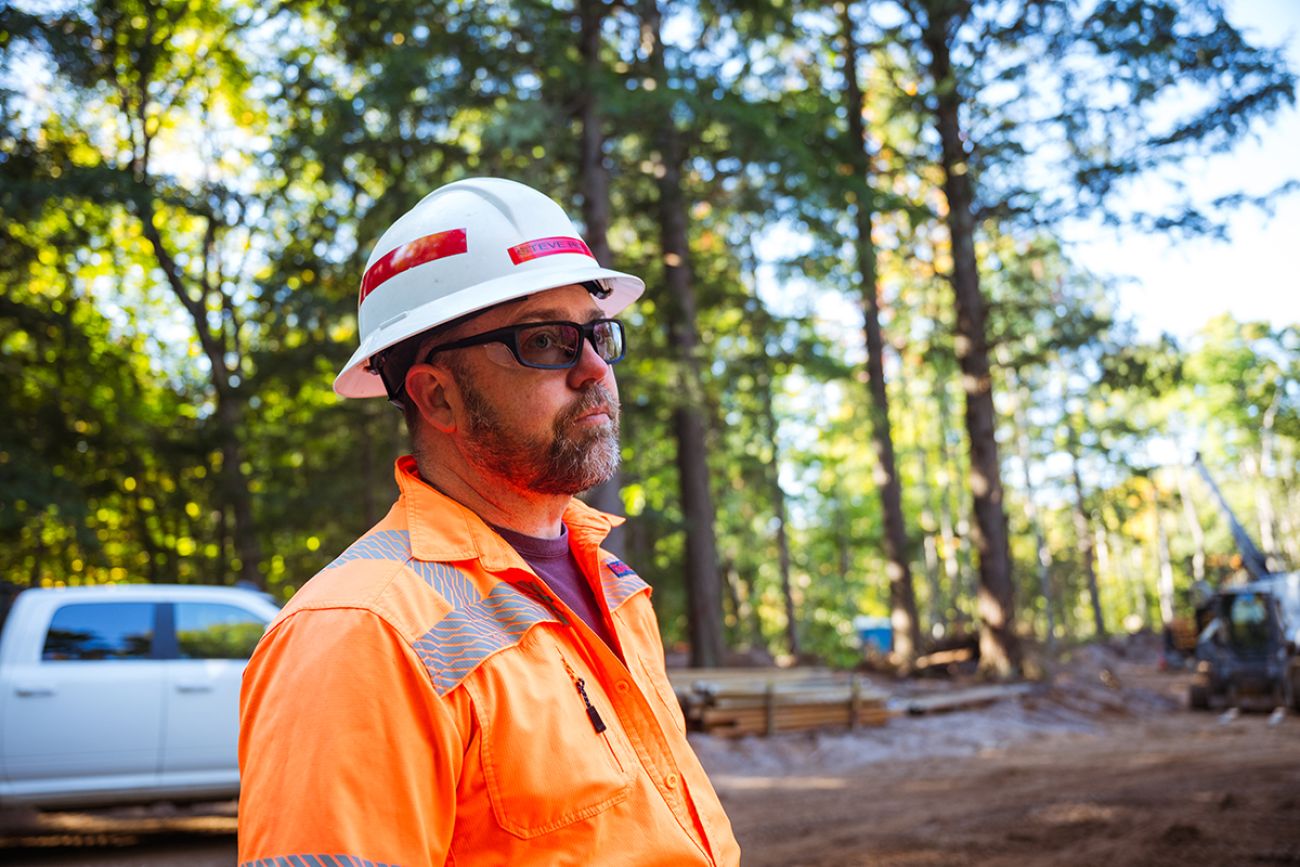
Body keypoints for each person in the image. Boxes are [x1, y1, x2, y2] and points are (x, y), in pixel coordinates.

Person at [237, 178, 741, 866]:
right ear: (437, 395)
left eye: (596, 334)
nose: (595, 367)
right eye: (545, 340)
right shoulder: (360, 632)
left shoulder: (613, 583)